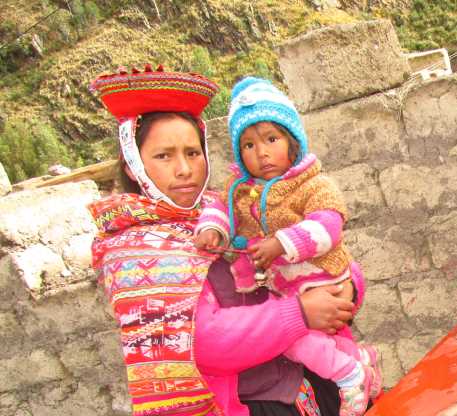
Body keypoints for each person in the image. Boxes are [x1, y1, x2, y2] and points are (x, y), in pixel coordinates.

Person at [87, 65, 355, 416]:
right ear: (133, 166)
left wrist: (346, 287)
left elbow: (312, 254)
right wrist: (300, 313)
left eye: (192, 153)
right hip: (248, 403)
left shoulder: (225, 210)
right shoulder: (135, 251)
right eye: (164, 156)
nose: (184, 169)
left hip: (307, 378)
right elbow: (203, 342)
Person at [193, 77, 381, 416]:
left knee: (311, 341)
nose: (261, 152)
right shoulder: (239, 190)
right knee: (308, 342)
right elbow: (219, 208)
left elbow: (328, 224)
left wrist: (281, 243)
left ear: (293, 142)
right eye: (248, 145)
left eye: (271, 139)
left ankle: (351, 374)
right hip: (287, 301)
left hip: (318, 278)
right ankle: (357, 366)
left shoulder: (311, 182)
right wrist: (211, 228)